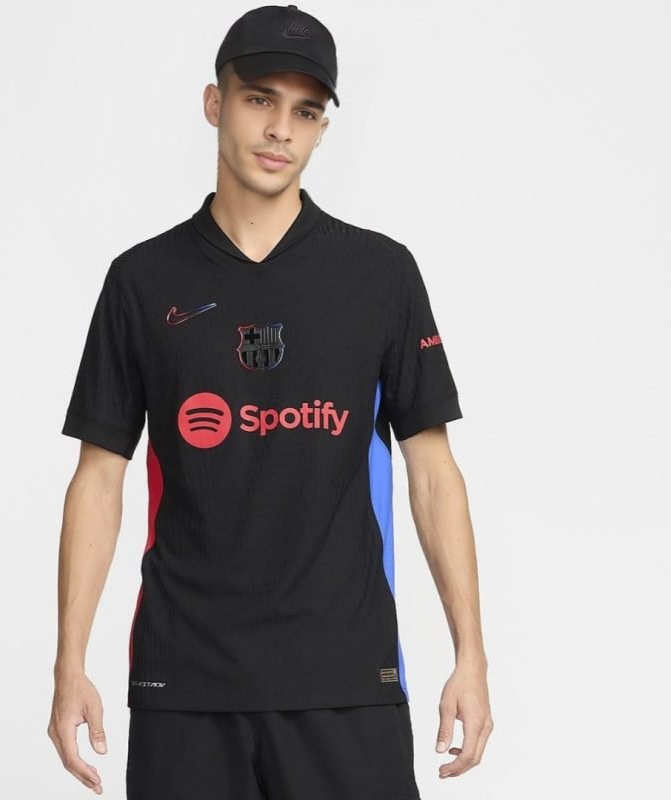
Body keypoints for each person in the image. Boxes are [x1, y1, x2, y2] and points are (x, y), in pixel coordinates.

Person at [47, 4, 492, 798]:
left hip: (345, 676)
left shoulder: (380, 275)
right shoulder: (142, 281)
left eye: (306, 111)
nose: (281, 128)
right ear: (214, 102)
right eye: (260, 99)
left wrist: (472, 655)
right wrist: (69, 662)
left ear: (322, 130)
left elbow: (433, 474)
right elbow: (99, 477)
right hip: (186, 681)